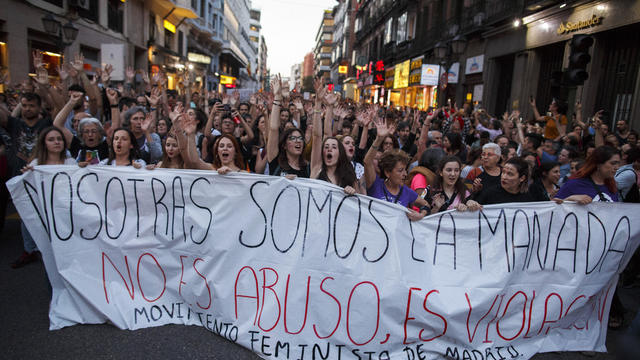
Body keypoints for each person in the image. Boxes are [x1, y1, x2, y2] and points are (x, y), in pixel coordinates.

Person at [12, 126, 77, 268]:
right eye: (51, 139)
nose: (57, 142)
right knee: (50, 259)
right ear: (44, 143)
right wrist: (26, 175)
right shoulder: (36, 165)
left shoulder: (71, 162)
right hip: (46, 217)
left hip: (66, 217)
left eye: (59, 139)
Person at [364, 117, 430, 221]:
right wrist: (379, 139)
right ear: (387, 172)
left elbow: (426, 204)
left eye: (405, 170)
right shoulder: (375, 185)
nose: (405, 174)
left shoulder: (407, 192)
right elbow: (367, 162)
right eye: (400, 170)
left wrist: (421, 214)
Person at [266, 74, 309, 178]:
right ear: (284, 145)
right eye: (293, 138)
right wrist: (277, 98)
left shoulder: (308, 168)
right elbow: (273, 129)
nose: (298, 141)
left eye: (300, 138)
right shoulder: (276, 162)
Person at [555, 146, 621, 203]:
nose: (617, 167)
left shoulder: (612, 187)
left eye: (618, 163)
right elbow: (553, 208)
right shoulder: (574, 184)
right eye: (613, 163)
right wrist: (570, 199)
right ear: (598, 164)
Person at [467, 157, 533, 208]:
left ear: (522, 178)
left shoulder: (528, 199)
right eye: (503, 172)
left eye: (510, 174)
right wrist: (470, 202)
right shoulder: (490, 194)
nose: (504, 177)